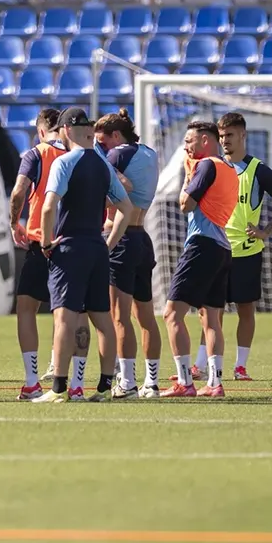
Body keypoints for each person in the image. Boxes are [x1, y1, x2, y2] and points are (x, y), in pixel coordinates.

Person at [32, 108, 132, 404]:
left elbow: (49, 207)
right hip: (96, 249)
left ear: (63, 131)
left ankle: (59, 388)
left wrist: (47, 243)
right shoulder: (102, 164)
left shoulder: (64, 162)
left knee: (65, 318)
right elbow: (126, 208)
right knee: (103, 319)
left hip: (71, 248)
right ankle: (103, 387)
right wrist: (108, 245)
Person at [160, 121, 238, 398]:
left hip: (202, 244)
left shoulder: (207, 166)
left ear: (205, 140)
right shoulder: (230, 169)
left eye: (189, 141)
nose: (185, 147)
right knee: (211, 319)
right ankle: (215, 384)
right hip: (222, 247)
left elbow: (185, 204)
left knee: (172, 314)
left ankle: (184, 382)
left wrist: (186, 176)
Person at [7, 108, 79, 399]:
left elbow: (18, 191)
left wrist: (14, 222)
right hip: (75, 242)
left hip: (41, 240)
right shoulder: (82, 153)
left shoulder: (36, 154)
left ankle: (32, 379)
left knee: (27, 307)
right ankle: (72, 378)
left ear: (40, 130)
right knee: (74, 313)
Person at [217, 112, 272, 382]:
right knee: (210, 310)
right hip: (216, 248)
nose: (225, 140)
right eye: (222, 135)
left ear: (243, 136)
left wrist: (266, 231)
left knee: (245, 309)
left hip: (247, 251)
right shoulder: (213, 167)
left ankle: (240, 366)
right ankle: (203, 365)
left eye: (230, 135)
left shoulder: (257, 170)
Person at [94, 110, 161, 398]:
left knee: (119, 318)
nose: (102, 148)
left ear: (116, 136)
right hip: (142, 236)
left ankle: (128, 382)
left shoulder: (117, 155)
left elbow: (120, 188)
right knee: (146, 316)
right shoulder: (149, 153)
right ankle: (152, 382)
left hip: (119, 238)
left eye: (103, 142)